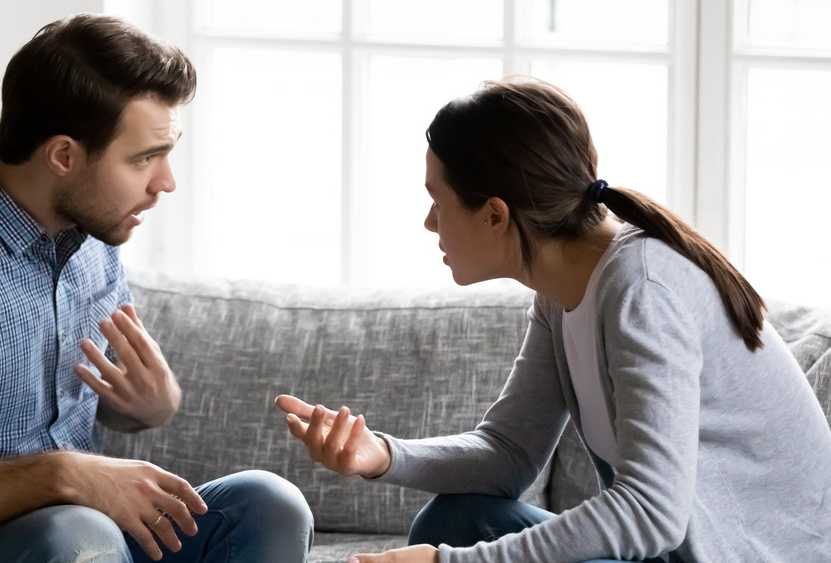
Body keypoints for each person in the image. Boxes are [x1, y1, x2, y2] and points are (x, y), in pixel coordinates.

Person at [276, 77, 831, 562]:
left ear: (495, 215)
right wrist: (382, 455)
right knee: (453, 522)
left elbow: (651, 513)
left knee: (452, 546)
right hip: (672, 554)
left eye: (437, 202)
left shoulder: (641, 289)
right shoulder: (560, 290)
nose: (428, 222)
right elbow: (508, 456)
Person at [0, 13, 312, 563]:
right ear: (63, 156)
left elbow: (68, 404)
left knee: (271, 504)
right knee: (76, 534)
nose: (166, 182)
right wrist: (64, 475)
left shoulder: (94, 233)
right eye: (144, 159)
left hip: (92, 544)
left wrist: (148, 406)